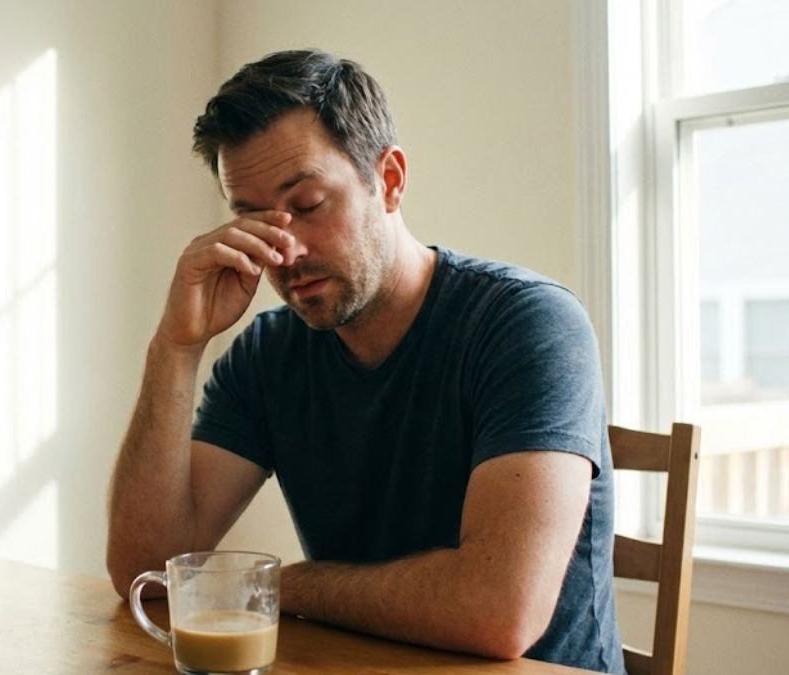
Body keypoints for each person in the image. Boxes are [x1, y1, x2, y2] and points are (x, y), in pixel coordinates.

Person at [105, 49, 623, 673]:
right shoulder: (269, 351)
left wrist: (285, 588)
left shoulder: (527, 324)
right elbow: (148, 571)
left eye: (309, 203)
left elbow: (498, 611)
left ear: (391, 180)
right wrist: (175, 347)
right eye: (254, 218)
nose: (285, 249)